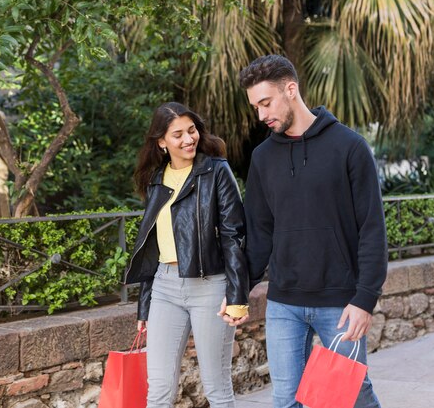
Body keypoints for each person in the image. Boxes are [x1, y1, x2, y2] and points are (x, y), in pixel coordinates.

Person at [238, 54, 387, 408]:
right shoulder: (262, 158)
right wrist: (236, 290)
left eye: (265, 102)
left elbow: (371, 227)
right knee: (286, 400)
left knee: (351, 395)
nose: (261, 115)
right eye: (255, 106)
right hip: (283, 303)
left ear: (291, 89)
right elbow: (259, 233)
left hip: (340, 301)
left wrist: (365, 298)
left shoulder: (349, 146)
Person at [124, 102, 249, 408]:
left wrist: (236, 296)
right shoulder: (155, 179)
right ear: (161, 142)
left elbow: (235, 235)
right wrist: (145, 307)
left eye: (191, 130)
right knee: (159, 390)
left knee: (217, 388)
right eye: (177, 134)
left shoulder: (216, 171)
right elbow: (152, 247)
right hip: (165, 287)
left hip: (209, 286)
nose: (188, 139)